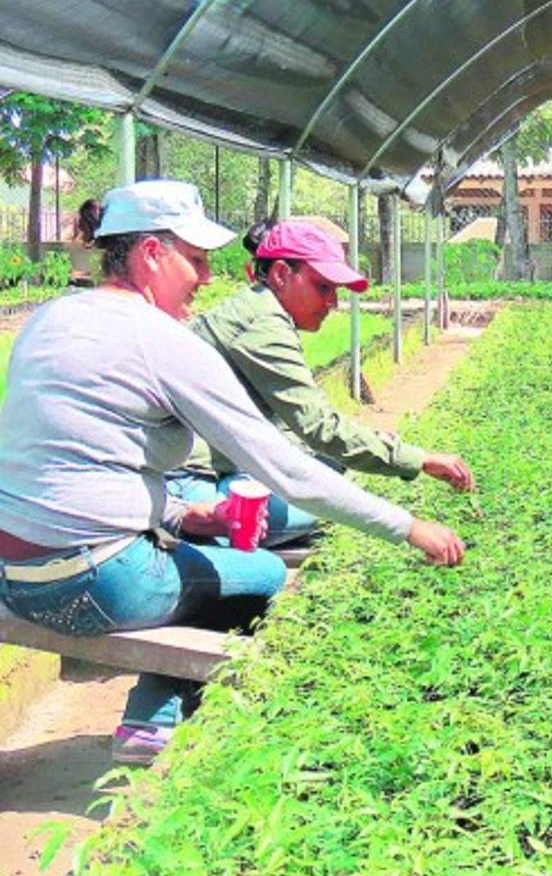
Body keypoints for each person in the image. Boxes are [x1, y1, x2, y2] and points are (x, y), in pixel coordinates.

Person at [0, 180, 466, 764]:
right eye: (195, 260)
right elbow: (287, 469)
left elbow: (73, 455)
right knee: (264, 572)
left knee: (225, 544)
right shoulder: (160, 339)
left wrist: (181, 513)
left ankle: (155, 712)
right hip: (93, 584)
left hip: (13, 577)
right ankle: (155, 716)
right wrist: (407, 526)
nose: (206, 277)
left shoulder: (50, 319)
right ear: (150, 255)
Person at [169, 219, 474, 547]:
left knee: (328, 471)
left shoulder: (259, 308)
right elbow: (319, 427)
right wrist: (419, 460)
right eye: (322, 287)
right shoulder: (263, 325)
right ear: (282, 275)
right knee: (313, 517)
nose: (333, 303)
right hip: (189, 475)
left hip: (218, 461)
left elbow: (292, 429)